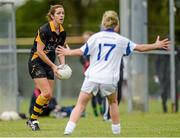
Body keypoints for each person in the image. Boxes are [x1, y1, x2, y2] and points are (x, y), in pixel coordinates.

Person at [56, 10, 170, 135]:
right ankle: (116, 132)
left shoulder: (95, 37)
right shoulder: (121, 40)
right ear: (117, 25)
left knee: (80, 105)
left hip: (92, 77)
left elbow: (82, 51)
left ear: (103, 24)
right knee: (113, 103)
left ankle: (68, 130)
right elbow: (140, 48)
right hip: (109, 79)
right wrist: (156, 45)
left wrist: (68, 52)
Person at [26, 4, 66, 131]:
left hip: (49, 64)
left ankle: (32, 119)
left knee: (48, 98)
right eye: (58, 13)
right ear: (52, 16)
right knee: (46, 92)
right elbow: (40, 51)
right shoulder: (44, 29)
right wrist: (54, 66)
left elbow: (60, 50)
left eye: (63, 13)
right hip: (36, 62)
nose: (61, 15)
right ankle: (33, 120)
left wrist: (62, 66)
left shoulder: (63, 32)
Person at [80, 31, 104, 117]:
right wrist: (87, 63)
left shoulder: (95, 47)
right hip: (88, 75)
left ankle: (102, 111)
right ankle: (95, 113)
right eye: (84, 39)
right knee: (90, 95)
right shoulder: (83, 49)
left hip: (97, 74)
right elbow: (83, 61)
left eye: (87, 38)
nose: (86, 40)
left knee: (99, 94)